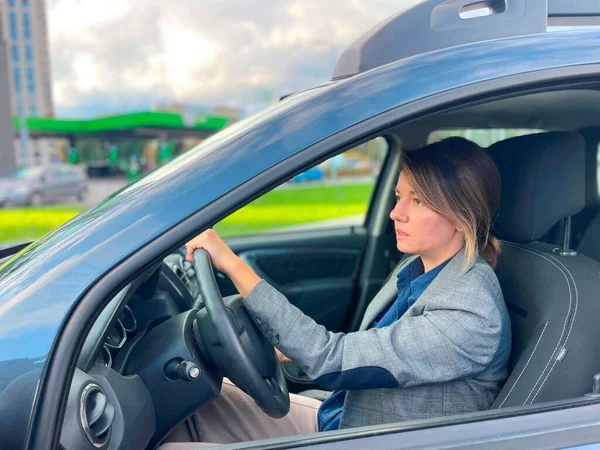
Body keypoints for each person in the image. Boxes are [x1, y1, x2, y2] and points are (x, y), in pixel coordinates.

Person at [164, 137, 512, 447]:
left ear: (461, 215)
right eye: (398, 196)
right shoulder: (420, 266)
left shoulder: (471, 314)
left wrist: (232, 264)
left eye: (418, 201)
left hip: (365, 438)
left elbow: (331, 358)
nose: (395, 213)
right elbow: (372, 350)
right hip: (342, 420)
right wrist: (289, 352)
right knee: (191, 403)